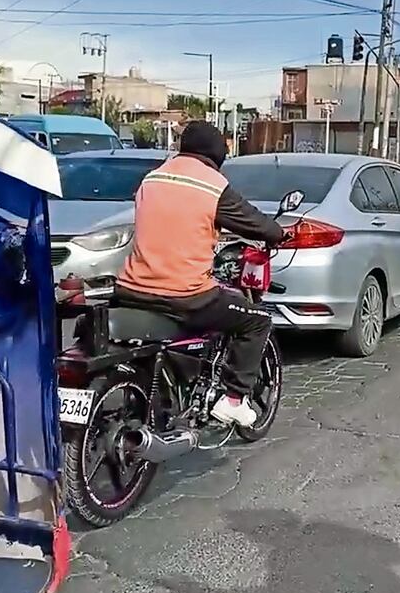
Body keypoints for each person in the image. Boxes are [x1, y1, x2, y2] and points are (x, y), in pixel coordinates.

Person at [115, 121, 285, 427]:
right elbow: (255, 223)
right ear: (216, 155)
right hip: (184, 295)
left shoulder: (151, 178)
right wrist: (277, 234)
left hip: (131, 288)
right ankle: (233, 400)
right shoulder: (211, 184)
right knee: (257, 319)